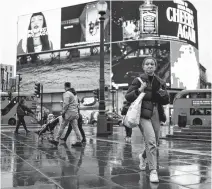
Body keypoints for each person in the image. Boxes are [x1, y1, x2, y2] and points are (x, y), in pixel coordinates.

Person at [125, 57, 170, 183]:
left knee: (155, 142)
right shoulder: (138, 80)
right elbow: (128, 97)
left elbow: (166, 101)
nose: (150, 66)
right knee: (150, 142)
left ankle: (143, 156)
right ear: (143, 67)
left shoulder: (160, 81)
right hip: (143, 113)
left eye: (152, 64)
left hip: (156, 112)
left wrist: (163, 94)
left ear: (155, 67)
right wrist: (139, 90)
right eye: (147, 64)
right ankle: (153, 171)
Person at [49, 82, 82, 147]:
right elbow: (77, 104)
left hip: (68, 113)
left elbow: (66, 104)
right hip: (74, 113)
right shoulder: (75, 94)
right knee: (76, 128)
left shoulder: (67, 93)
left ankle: (56, 140)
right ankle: (79, 141)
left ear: (65, 86)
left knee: (62, 127)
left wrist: (63, 112)